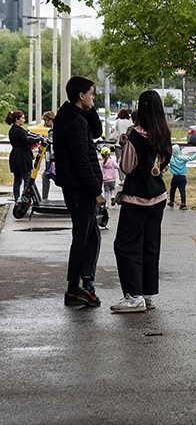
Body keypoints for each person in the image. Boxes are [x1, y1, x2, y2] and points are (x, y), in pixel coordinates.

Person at [111, 90, 172, 313]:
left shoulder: (136, 135)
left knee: (126, 245)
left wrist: (127, 145)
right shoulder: (164, 133)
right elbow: (164, 164)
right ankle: (147, 294)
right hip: (158, 197)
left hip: (136, 197)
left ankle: (133, 296)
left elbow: (126, 167)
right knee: (150, 244)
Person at [54, 76, 105, 308]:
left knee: (90, 236)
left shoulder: (74, 115)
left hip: (77, 187)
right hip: (80, 188)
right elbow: (81, 161)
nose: (93, 97)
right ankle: (77, 288)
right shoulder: (73, 121)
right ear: (81, 95)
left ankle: (83, 285)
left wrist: (91, 108)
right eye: (91, 93)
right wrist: (96, 192)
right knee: (84, 237)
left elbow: (96, 130)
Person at [5, 110, 42, 202]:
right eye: (22, 118)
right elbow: (28, 140)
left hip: (15, 156)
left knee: (17, 180)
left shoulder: (12, 130)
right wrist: (39, 138)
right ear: (17, 119)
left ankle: (17, 199)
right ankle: (25, 200)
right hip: (22, 157)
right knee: (27, 179)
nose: (24, 120)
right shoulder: (19, 131)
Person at [31, 111, 56, 200]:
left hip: (52, 160)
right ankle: (45, 197)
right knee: (47, 176)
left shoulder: (53, 131)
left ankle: (45, 198)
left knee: (47, 176)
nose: (45, 123)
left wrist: (53, 160)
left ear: (50, 120)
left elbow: (53, 147)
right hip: (53, 160)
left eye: (45, 121)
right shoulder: (56, 129)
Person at [167, 144, 196, 209]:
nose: (181, 151)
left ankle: (172, 202)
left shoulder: (171, 160)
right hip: (183, 177)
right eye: (180, 150)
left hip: (175, 177)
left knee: (172, 189)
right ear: (178, 151)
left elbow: (165, 160)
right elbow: (192, 158)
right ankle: (183, 204)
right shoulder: (183, 158)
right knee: (182, 191)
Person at [111, 109, 132, 183]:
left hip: (118, 143)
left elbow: (112, 130)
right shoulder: (130, 122)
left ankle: (122, 179)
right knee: (128, 160)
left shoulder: (118, 121)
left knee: (119, 161)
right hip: (127, 143)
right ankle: (128, 178)